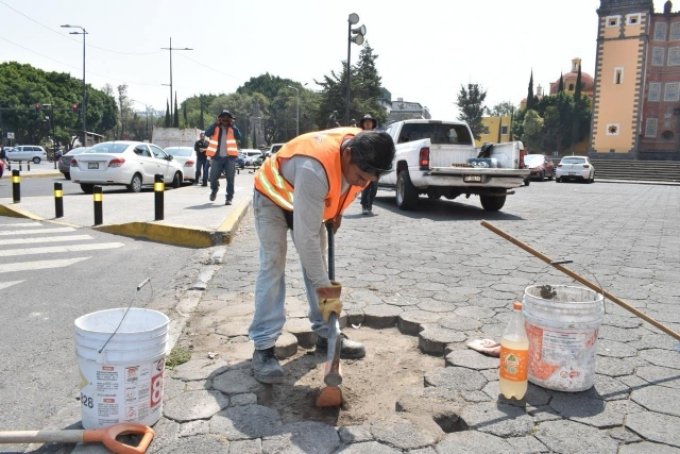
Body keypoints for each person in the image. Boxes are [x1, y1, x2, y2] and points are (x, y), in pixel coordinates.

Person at [249, 127, 396, 384]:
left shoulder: (365, 146)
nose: (362, 184)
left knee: (316, 264)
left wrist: (337, 212)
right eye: (360, 177)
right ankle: (263, 347)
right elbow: (305, 240)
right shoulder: (314, 169)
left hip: (309, 198)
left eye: (369, 180)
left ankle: (327, 334)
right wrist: (326, 290)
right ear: (348, 155)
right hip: (273, 195)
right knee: (274, 263)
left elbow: (343, 186)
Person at [204, 110, 241, 205]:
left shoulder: (232, 128)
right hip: (217, 158)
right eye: (223, 118)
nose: (225, 120)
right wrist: (215, 124)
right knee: (212, 178)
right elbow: (207, 133)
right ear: (220, 119)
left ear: (230, 119)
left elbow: (239, 136)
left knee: (230, 179)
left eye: (227, 118)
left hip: (230, 158)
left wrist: (233, 125)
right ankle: (214, 189)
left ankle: (229, 198)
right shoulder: (215, 127)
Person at [358, 114, 379, 215]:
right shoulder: (359, 135)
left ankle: (369, 206)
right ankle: (364, 206)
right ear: (363, 124)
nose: (367, 123)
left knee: (374, 186)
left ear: (372, 124)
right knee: (366, 185)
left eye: (369, 122)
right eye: (366, 122)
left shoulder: (377, 135)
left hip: (375, 164)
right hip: (364, 164)